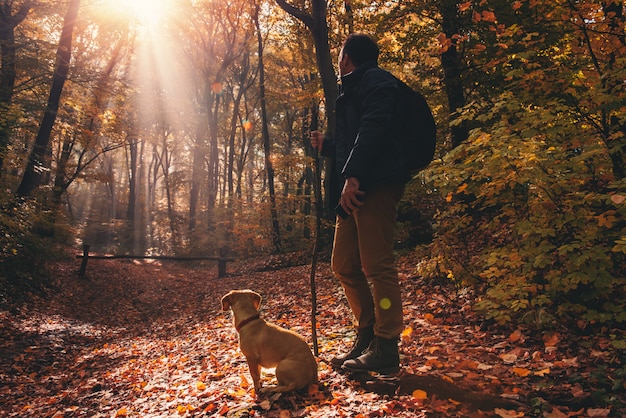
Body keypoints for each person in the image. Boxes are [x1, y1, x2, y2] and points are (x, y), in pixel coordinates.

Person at [310, 33, 411, 374]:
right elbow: (359, 140)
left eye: (340, 55)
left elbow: (375, 130)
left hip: (376, 184)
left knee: (377, 266)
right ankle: (367, 335)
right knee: (342, 264)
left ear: (347, 57)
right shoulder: (354, 89)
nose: (338, 61)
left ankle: (386, 346)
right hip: (355, 186)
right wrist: (329, 145)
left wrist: (352, 176)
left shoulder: (377, 81)